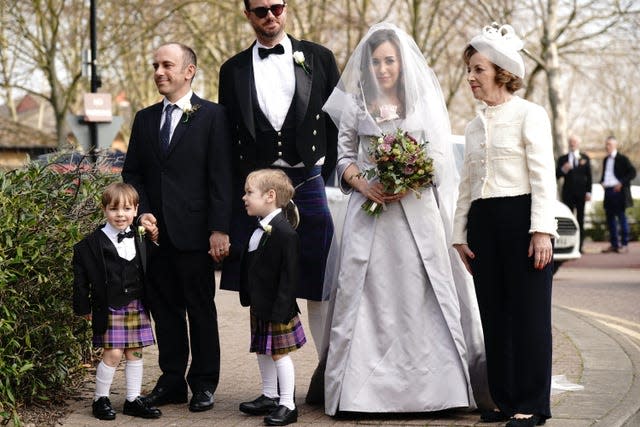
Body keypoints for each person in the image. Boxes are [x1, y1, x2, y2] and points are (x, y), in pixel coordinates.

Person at [319, 22, 490, 415]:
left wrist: (412, 175)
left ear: (401, 63)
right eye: (376, 61)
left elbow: (441, 159)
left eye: (389, 60)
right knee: (368, 299)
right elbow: (343, 157)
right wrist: (364, 184)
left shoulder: (423, 102)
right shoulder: (357, 104)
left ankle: (439, 389)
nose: (382, 68)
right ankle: (360, 393)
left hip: (417, 216)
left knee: (421, 296)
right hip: (371, 215)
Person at [218, 0, 340, 363]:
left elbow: (339, 124)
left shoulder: (319, 57)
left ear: (286, 8)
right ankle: (272, 390)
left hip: (309, 180)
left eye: (277, 6)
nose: (270, 15)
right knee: (261, 285)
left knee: (320, 283)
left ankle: (327, 375)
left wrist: (331, 177)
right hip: (259, 190)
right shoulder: (233, 69)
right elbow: (229, 137)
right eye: (260, 10)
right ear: (248, 16)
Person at [453, 23, 557, 427]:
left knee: (529, 314)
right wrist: (459, 236)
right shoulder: (473, 125)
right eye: (470, 69)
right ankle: (505, 399)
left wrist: (542, 229)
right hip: (483, 224)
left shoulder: (530, 114)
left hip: (522, 220)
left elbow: (543, 176)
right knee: (493, 314)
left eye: (478, 69)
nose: (471, 77)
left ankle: (533, 403)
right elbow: (466, 185)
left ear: (501, 72)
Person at [122, 42, 232, 412]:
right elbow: (133, 173)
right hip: (154, 236)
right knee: (164, 310)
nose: (158, 72)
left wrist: (219, 228)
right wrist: (144, 213)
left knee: (200, 309)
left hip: (196, 233)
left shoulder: (213, 116)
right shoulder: (144, 118)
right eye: (155, 65)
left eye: (167, 65)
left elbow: (221, 177)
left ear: (189, 71)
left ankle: (202, 383)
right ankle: (171, 381)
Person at [72, 182, 162, 420]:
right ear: (104, 210)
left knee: (136, 352)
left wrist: (153, 237)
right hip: (109, 305)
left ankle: (133, 399)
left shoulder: (142, 239)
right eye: (113, 209)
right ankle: (100, 398)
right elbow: (80, 280)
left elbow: (151, 268)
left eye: (126, 209)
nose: (120, 214)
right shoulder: (88, 246)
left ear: (136, 210)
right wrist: (83, 307)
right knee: (112, 354)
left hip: (136, 304)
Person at [238, 169, 306, 426]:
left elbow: (290, 277)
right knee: (262, 350)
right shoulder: (260, 228)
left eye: (248, 193)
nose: (244, 197)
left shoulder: (285, 233)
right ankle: (269, 395)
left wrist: (282, 308)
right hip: (260, 303)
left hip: (278, 306)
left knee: (279, 354)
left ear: (270, 196)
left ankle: (288, 404)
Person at [600, 136, 637, 253]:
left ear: (615, 145)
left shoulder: (622, 158)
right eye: (606, 144)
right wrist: (602, 182)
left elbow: (633, 172)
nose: (607, 147)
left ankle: (625, 244)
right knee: (610, 219)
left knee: (621, 218)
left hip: (619, 192)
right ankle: (614, 244)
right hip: (608, 191)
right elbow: (606, 174)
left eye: (609, 144)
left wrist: (621, 183)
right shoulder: (605, 159)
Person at [556, 135, 592, 251]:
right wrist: (563, 170)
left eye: (575, 142)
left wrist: (589, 192)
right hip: (568, 194)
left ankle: (580, 247)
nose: (573, 144)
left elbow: (589, 177)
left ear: (578, 144)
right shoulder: (563, 159)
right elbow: (556, 175)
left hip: (581, 194)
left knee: (580, 219)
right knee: (569, 221)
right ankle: (567, 246)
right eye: (571, 142)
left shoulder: (585, 158)